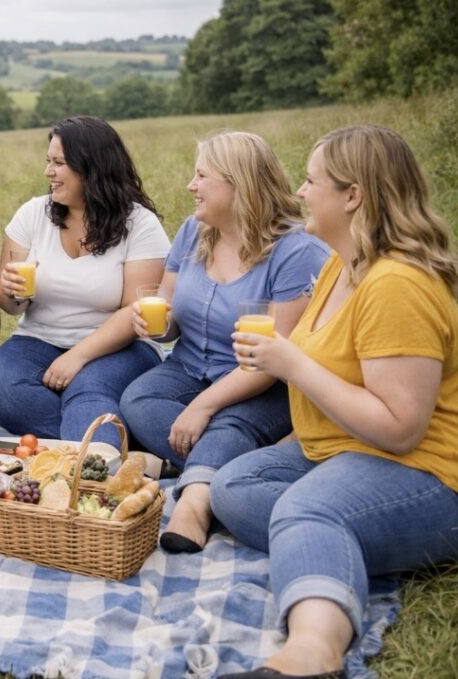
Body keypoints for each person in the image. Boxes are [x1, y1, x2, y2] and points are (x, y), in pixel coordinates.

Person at [211, 125, 458, 679]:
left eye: (311, 181)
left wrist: (291, 363)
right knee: (232, 487)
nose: (299, 192)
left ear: (353, 195)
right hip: (346, 449)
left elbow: (401, 429)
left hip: (440, 473)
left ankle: (314, 652)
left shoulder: (396, 284)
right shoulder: (343, 263)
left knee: (307, 508)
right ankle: (332, 540)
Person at [118, 131, 328, 554]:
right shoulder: (194, 232)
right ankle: (226, 462)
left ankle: (194, 502)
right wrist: (157, 326)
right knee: (138, 399)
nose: (190, 186)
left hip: (265, 383)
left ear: (238, 184)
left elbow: (271, 360)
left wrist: (202, 407)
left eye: (201, 176)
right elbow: (170, 318)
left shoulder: (295, 251)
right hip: (189, 367)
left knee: (230, 421)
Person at [0, 116, 171, 448]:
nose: (47, 172)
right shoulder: (33, 214)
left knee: (87, 388)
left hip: (120, 346)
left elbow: (136, 310)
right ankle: (116, 438)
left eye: (58, 163)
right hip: (39, 338)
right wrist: (10, 292)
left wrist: (77, 357)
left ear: (91, 168)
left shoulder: (140, 224)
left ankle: (96, 465)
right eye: (48, 161)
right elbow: (9, 305)